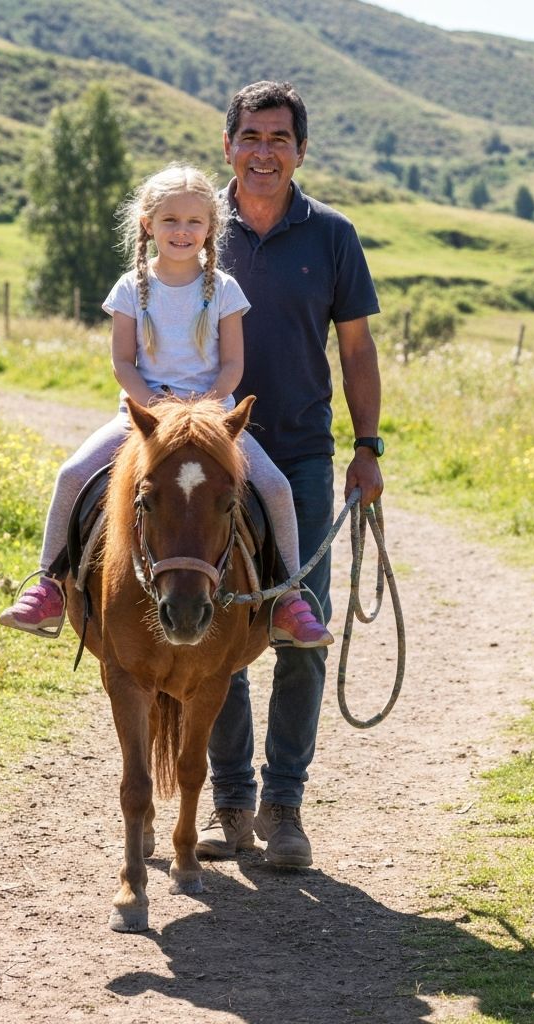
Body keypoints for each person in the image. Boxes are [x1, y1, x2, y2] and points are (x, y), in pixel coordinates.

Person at [0, 163, 333, 649]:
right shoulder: (131, 289)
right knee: (73, 474)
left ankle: (286, 599)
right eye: (170, 220)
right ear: (147, 224)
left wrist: (202, 411)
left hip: (215, 420)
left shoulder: (224, 291)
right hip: (142, 421)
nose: (182, 231)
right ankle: (49, 584)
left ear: (211, 228)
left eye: (194, 222)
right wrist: (159, 412)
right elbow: (122, 362)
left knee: (276, 488)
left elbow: (233, 366)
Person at [195, 82, 384, 868]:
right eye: (250, 135)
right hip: (212, 458)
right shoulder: (196, 230)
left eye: (279, 137)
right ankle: (230, 805)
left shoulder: (333, 236)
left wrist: (368, 446)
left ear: (300, 150)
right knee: (214, 625)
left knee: (301, 625)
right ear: (229, 145)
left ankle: (285, 807)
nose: (264, 150)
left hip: (303, 456)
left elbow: (358, 351)